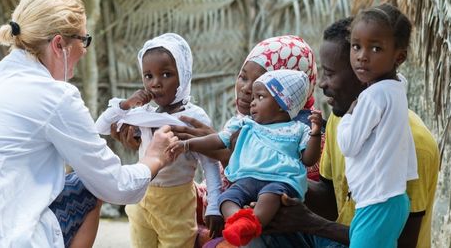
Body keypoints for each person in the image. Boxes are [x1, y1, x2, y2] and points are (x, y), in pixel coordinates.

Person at [0, 0, 180, 247]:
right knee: (88, 187)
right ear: (59, 44)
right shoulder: (55, 95)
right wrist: (153, 160)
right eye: (83, 40)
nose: (84, 51)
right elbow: (113, 185)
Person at [257, 15, 439, 248]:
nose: (322, 83)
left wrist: (312, 224)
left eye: (330, 74)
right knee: (261, 228)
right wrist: (277, 174)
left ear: (362, 73)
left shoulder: (412, 142)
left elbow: (399, 242)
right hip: (337, 240)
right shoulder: (340, 119)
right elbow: (330, 199)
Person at [95, 33, 224, 247]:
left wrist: (214, 205)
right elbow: (100, 127)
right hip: (141, 198)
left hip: (177, 203)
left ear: (182, 75)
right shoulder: (143, 114)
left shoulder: (192, 118)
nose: (155, 83)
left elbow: (209, 163)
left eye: (166, 74)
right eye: (148, 76)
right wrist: (126, 105)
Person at [171, 70, 322, 246]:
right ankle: (238, 223)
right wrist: (189, 144)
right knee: (226, 199)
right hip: (246, 180)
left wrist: (316, 133)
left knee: (270, 197)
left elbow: (308, 160)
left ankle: (253, 224)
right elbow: (219, 140)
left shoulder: (298, 129)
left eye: (260, 97)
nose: (252, 102)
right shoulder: (245, 123)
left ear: (282, 104)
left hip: (279, 180)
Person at [167, 35, 323, 181]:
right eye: (243, 77)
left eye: (260, 82)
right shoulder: (245, 124)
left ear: (287, 91)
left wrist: (227, 155)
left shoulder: (306, 136)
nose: (246, 88)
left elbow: (279, 191)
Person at [337, 4, 418, 247]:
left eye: (376, 48)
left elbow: (349, 146)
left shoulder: (372, 96)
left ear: (399, 56)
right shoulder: (396, 88)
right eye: (356, 46)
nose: (362, 55)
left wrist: (347, 118)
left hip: (376, 201)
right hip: (392, 199)